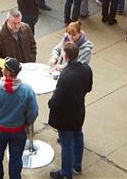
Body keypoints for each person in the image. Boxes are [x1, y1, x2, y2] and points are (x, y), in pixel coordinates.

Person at [0, 57, 39, 179]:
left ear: (7, 72)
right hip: (18, 131)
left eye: (4, 68)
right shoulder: (27, 91)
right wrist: (26, 123)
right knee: (16, 159)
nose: (2, 69)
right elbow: (33, 113)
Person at [47, 42, 93, 179]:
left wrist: (50, 103)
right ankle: (76, 166)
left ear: (65, 56)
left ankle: (66, 173)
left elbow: (56, 101)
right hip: (79, 111)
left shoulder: (66, 76)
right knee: (78, 137)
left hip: (65, 117)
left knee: (66, 144)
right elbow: (89, 88)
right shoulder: (86, 69)